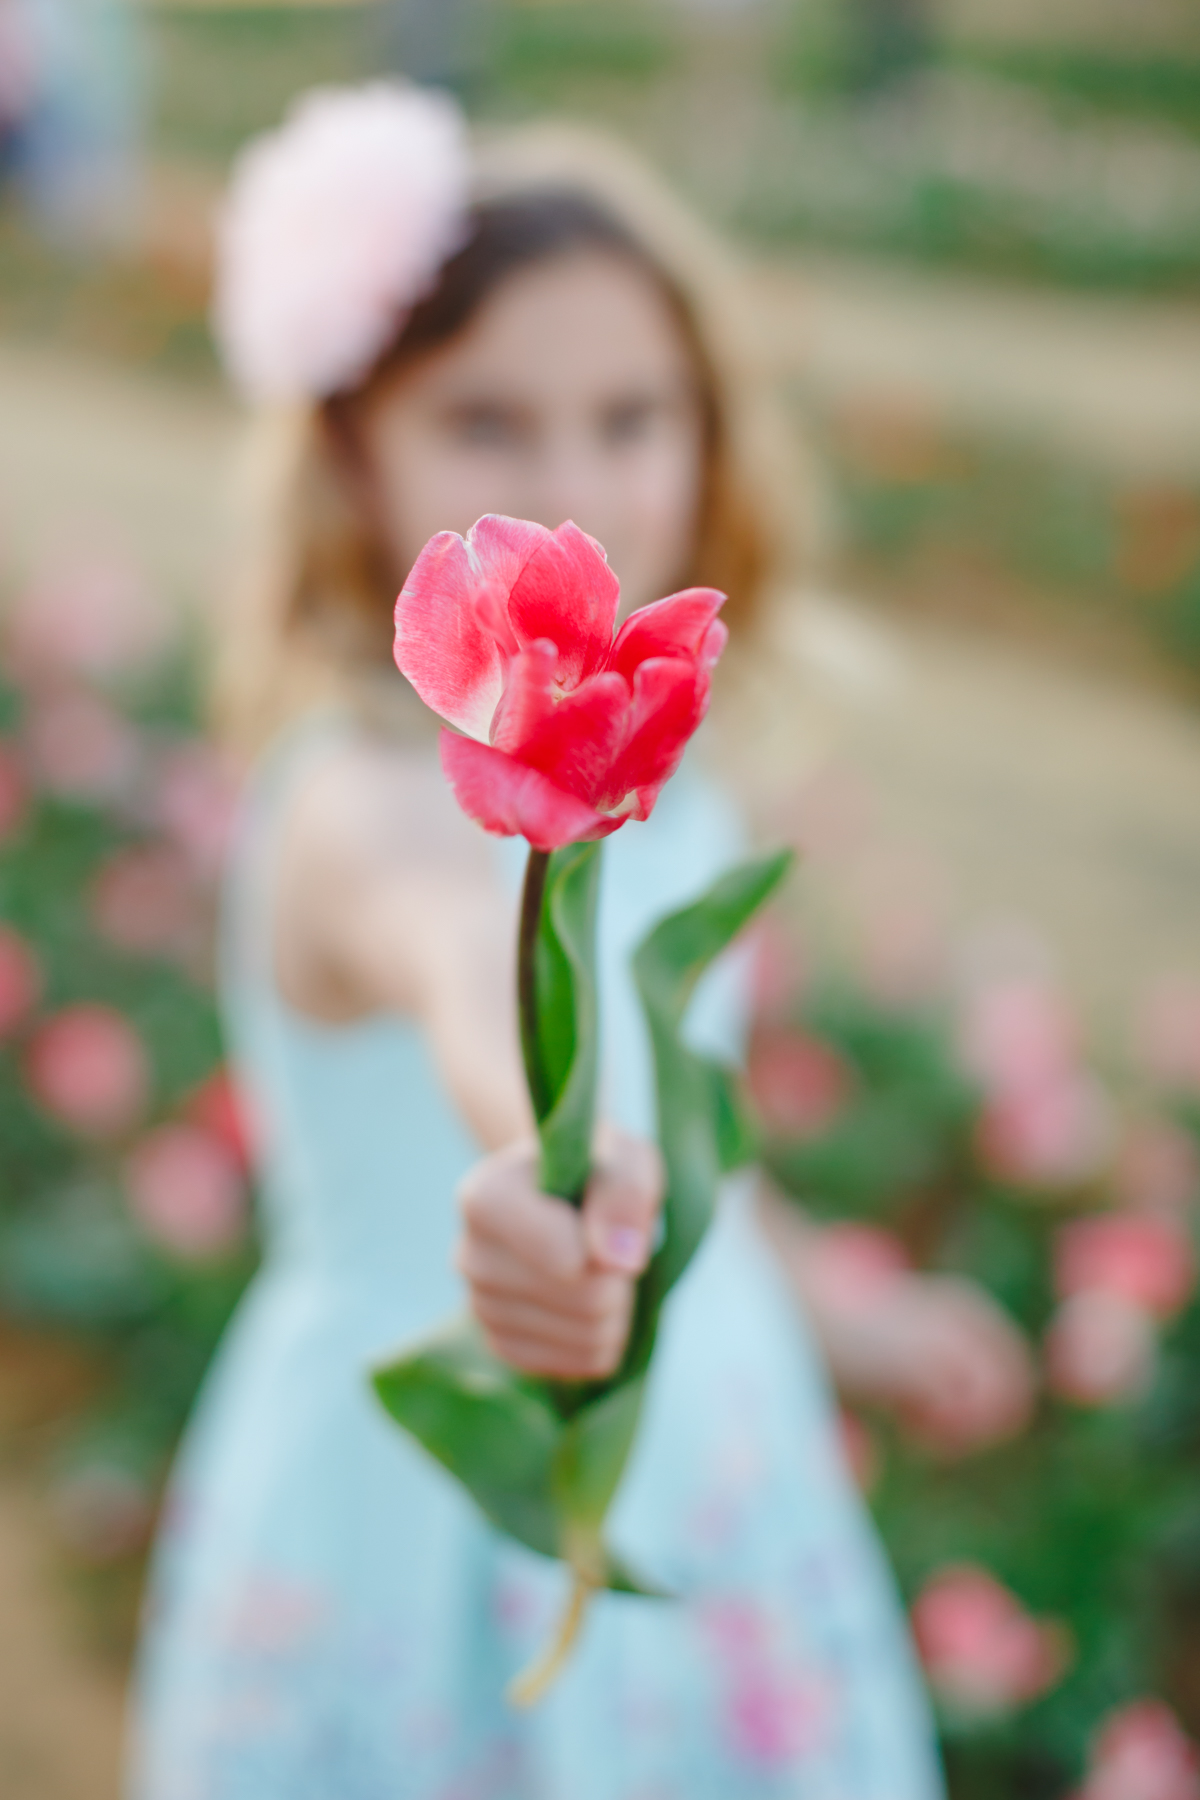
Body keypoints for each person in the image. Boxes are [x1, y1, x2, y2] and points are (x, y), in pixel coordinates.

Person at [127, 84, 1031, 1799]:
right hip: (417, 1499)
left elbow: (692, 1140)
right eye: (485, 421)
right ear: (351, 450)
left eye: (632, 418)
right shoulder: (354, 801)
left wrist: (847, 1311)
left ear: (711, 439)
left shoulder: (678, 789)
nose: (569, 482)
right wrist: (549, 1168)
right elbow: (476, 980)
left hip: (708, 1449)